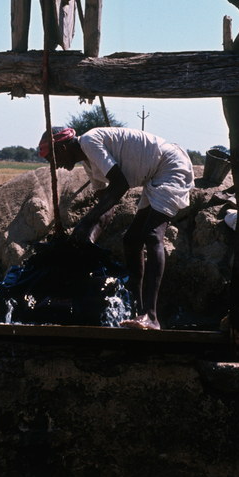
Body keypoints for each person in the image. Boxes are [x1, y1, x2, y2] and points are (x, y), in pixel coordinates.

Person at [38, 126, 194, 330]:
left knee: (152, 235)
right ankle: (137, 311)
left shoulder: (89, 142)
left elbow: (120, 185)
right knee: (131, 240)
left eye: (53, 159)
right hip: (154, 175)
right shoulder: (89, 165)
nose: (55, 166)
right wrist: (87, 241)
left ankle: (152, 316)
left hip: (169, 166)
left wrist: (85, 222)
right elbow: (107, 208)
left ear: (63, 148)